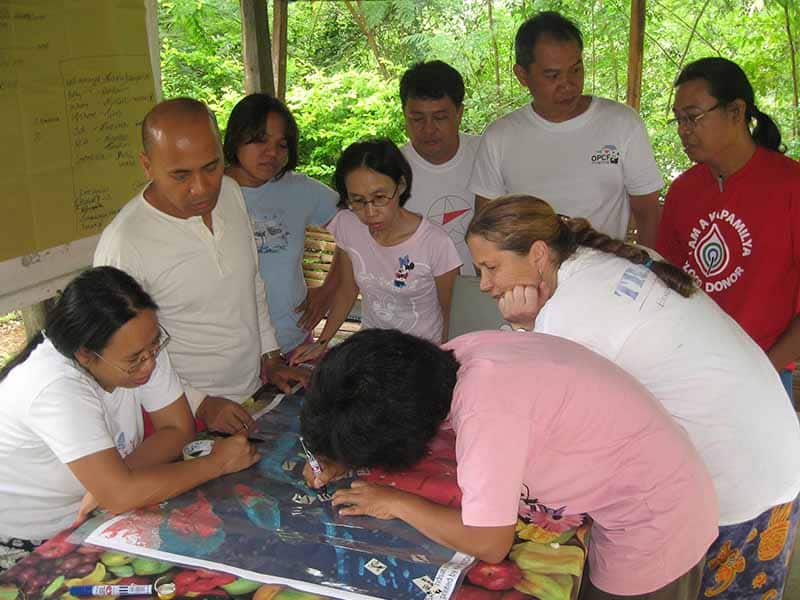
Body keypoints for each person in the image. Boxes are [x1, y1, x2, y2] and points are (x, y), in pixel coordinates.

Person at [467, 195, 800, 599]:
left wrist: (525, 327)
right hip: (772, 443)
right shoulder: (606, 260)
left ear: (538, 253)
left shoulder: (573, 313)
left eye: (491, 268)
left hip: (739, 476)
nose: (486, 285)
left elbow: (538, 409)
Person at [300, 328, 718, 599]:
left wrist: (396, 503)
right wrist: (346, 453)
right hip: (655, 471)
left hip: (655, 518)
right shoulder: (447, 360)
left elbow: (490, 543)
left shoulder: (488, 414)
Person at [0, 267, 259, 571]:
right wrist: (216, 464)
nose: (150, 364)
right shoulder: (54, 387)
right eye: (135, 359)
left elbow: (178, 428)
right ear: (85, 354)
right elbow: (121, 495)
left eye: (154, 346)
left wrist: (112, 483)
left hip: (94, 517)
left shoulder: (138, 343)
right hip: (31, 544)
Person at [94, 98, 308, 435]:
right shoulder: (124, 244)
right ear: (147, 166)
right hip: (178, 415)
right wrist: (200, 403)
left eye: (211, 167)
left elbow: (252, 283)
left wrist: (272, 358)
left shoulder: (232, 193)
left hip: (252, 393)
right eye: (181, 175)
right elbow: (125, 353)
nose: (202, 188)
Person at [656, 57, 800, 404]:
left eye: (693, 117)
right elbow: (665, 284)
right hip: (687, 368)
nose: (682, 130)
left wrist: (763, 369)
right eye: (678, 120)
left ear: (736, 112)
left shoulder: (790, 186)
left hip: (764, 372)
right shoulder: (684, 191)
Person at [468, 11, 662, 247]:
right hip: (530, 279)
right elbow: (486, 227)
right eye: (553, 75)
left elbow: (648, 213)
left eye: (576, 69)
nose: (568, 84)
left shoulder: (622, 123)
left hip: (605, 275)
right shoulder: (500, 137)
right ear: (522, 75)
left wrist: (646, 269)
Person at [290, 139, 461, 364]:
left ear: (400, 185)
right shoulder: (348, 226)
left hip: (422, 359)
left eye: (380, 198)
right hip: (371, 353)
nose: (370, 212)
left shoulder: (436, 244)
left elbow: (452, 312)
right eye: (358, 201)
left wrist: (445, 363)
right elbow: (347, 290)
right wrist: (322, 342)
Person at [223, 93, 339, 358]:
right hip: (231, 356)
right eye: (260, 140)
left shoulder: (301, 190)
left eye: (282, 144)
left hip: (293, 343)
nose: (272, 153)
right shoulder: (208, 194)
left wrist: (328, 289)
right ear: (236, 137)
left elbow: (357, 233)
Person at [399, 60, 481, 275]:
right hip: (417, 291)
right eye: (417, 118)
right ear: (404, 114)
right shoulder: (389, 169)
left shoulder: (487, 153)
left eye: (440, 117)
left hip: (484, 289)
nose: (428, 129)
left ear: (459, 113)